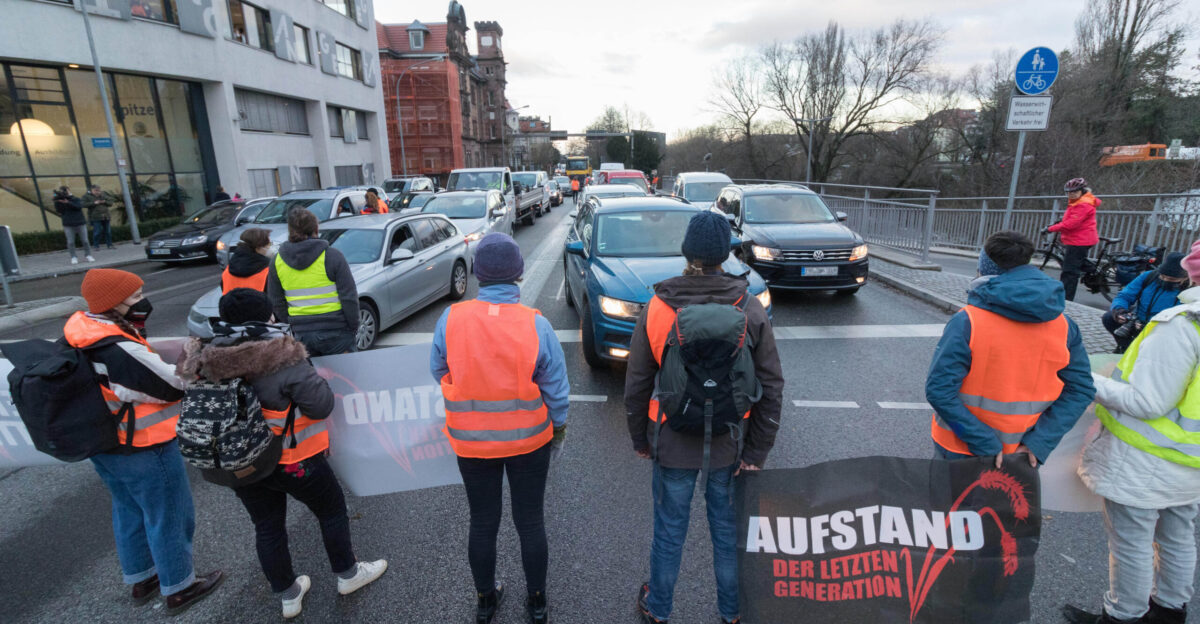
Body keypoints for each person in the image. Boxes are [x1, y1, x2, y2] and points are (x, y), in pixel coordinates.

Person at [177, 289, 387, 619]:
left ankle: (289, 595)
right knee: (331, 510)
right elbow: (320, 406)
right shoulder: (282, 356)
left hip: (242, 463)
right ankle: (348, 574)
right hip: (292, 459)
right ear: (266, 317)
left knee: (267, 526)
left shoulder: (205, 359)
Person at [625, 211, 785, 624]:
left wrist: (641, 439)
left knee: (669, 531)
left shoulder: (658, 307)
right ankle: (732, 612)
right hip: (730, 443)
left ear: (687, 253)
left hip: (672, 440)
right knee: (728, 535)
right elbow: (771, 385)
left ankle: (658, 608)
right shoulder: (748, 307)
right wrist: (757, 452)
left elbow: (637, 383)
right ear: (724, 255)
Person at [64, 269, 223, 614]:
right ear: (112, 303)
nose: (143, 302)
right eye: (135, 297)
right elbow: (171, 385)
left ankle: (142, 578)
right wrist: (191, 357)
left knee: (129, 508)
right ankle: (180, 586)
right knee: (170, 514)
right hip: (143, 445)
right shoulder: (116, 347)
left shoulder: (82, 329)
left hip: (105, 443)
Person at [430, 233, 569, 624]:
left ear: (478, 273)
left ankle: (485, 600)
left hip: (471, 443)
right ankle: (537, 602)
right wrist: (558, 430)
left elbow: (439, 369)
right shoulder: (536, 324)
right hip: (529, 442)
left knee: (482, 521)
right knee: (530, 521)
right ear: (519, 274)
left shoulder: (451, 319)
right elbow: (557, 391)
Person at [1062, 241, 1200, 624]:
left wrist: (1087, 379)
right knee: (1177, 535)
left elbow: (1147, 402)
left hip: (1148, 456)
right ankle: (1169, 611)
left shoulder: (1181, 325)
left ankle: (1123, 616)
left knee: (1132, 542)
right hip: (1191, 457)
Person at [927, 231, 1094, 467]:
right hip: (1023, 454)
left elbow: (939, 391)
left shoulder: (968, 321)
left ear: (985, 271)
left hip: (959, 449)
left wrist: (984, 443)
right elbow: (1081, 390)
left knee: (948, 493)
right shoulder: (1065, 326)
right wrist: (1040, 442)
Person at [266, 208, 359, 356]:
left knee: (311, 371)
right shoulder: (332, 256)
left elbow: (276, 302)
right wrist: (353, 327)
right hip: (336, 332)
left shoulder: (277, 262)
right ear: (316, 229)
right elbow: (349, 297)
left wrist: (294, 324)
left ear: (290, 231)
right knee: (347, 371)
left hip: (301, 335)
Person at [1103, 252, 1187, 353]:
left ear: (1186, 277)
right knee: (1109, 318)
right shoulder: (1150, 276)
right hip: (1138, 321)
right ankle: (1126, 347)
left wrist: (1150, 326)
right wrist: (1120, 311)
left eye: (1171, 279)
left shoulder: (1190, 289)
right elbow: (1125, 296)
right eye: (1162, 276)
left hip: (1164, 329)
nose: (1165, 280)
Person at [1045, 177, 1100, 301]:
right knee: (1075, 262)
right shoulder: (1078, 202)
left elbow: (1071, 224)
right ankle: (1094, 275)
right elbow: (1072, 219)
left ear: (1082, 191)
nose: (1071, 194)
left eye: (1074, 191)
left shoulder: (1083, 204)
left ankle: (1066, 300)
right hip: (1079, 238)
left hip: (1079, 240)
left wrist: (1051, 229)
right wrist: (1060, 222)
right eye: (1069, 192)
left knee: (1069, 272)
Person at [222, 228, 272, 294]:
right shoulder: (268, 271)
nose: (270, 247)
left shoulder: (228, 270)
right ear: (258, 248)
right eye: (269, 244)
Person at [54, 186, 94, 265]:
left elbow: (78, 207)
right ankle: (73, 257)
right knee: (70, 242)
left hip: (80, 222)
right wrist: (58, 202)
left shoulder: (76, 199)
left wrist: (68, 202)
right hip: (68, 224)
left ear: (69, 190)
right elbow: (59, 211)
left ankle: (88, 255)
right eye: (62, 192)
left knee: (85, 240)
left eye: (65, 191)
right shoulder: (59, 200)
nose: (64, 193)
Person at [84, 184, 115, 250]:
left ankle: (110, 245)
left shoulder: (103, 195)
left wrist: (104, 201)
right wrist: (94, 203)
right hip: (95, 217)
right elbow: (83, 204)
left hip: (106, 216)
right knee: (97, 232)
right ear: (91, 190)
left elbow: (111, 202)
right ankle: (96, 246)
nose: (97, 192)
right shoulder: (87, 196)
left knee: (108, 232)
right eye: (96, 190)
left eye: (99, 190)